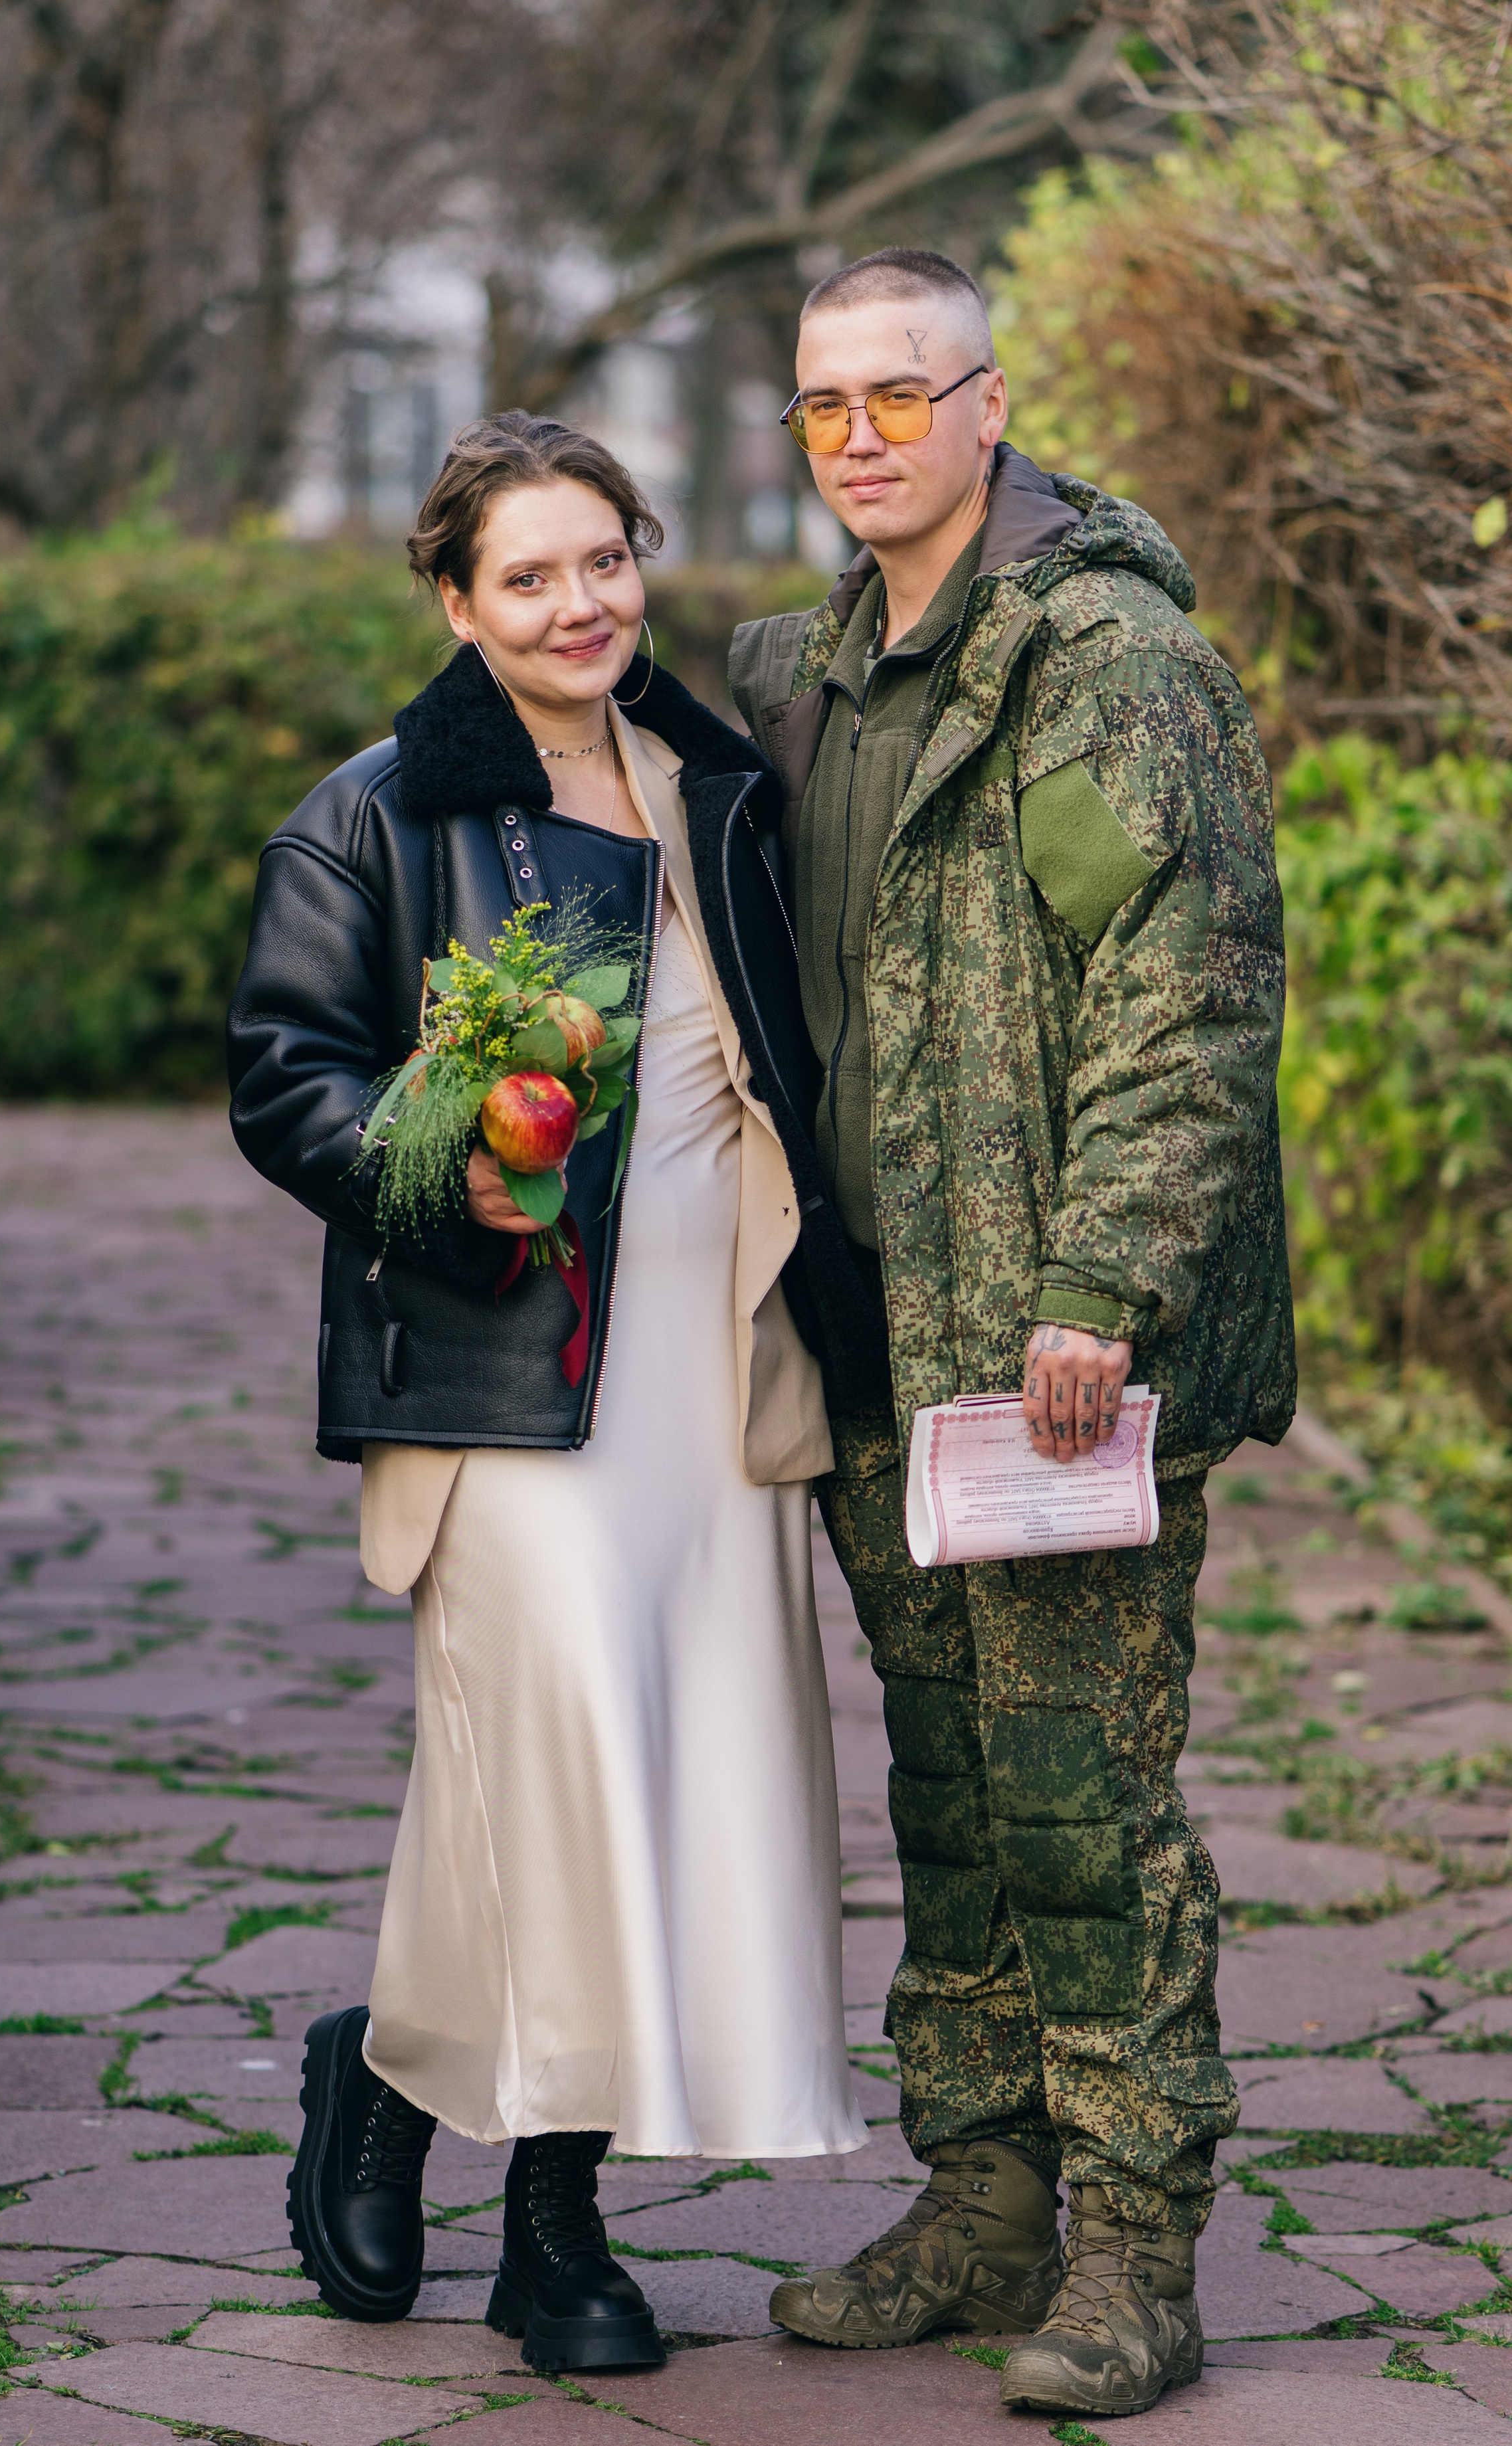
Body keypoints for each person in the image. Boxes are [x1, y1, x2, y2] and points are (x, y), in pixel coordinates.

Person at [225, 412, 867, 2378]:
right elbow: (285, 1065)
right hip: (514, 1361)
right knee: (561, 1768)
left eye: (604, 559)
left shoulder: (725, 780)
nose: (578, 602)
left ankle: (385, 2073)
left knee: (658, 1767)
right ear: (455, 599)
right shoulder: (380, 811)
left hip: (722, 1360)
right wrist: (434, 1154)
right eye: (529, 575)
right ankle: (553, 2228)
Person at [723, 248, 1296, 2419]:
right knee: (950, 1799)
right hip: (882, 1337)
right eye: (822, 407)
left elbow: (1193, 994)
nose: (859, 436)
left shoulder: (1109, 665)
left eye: (898, 394)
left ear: (988, 406)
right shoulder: (818, 674)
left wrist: (1098, 1288)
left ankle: (1135, 2250)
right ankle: (983, 2206)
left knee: (1082, 1801)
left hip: (1055, 1364)